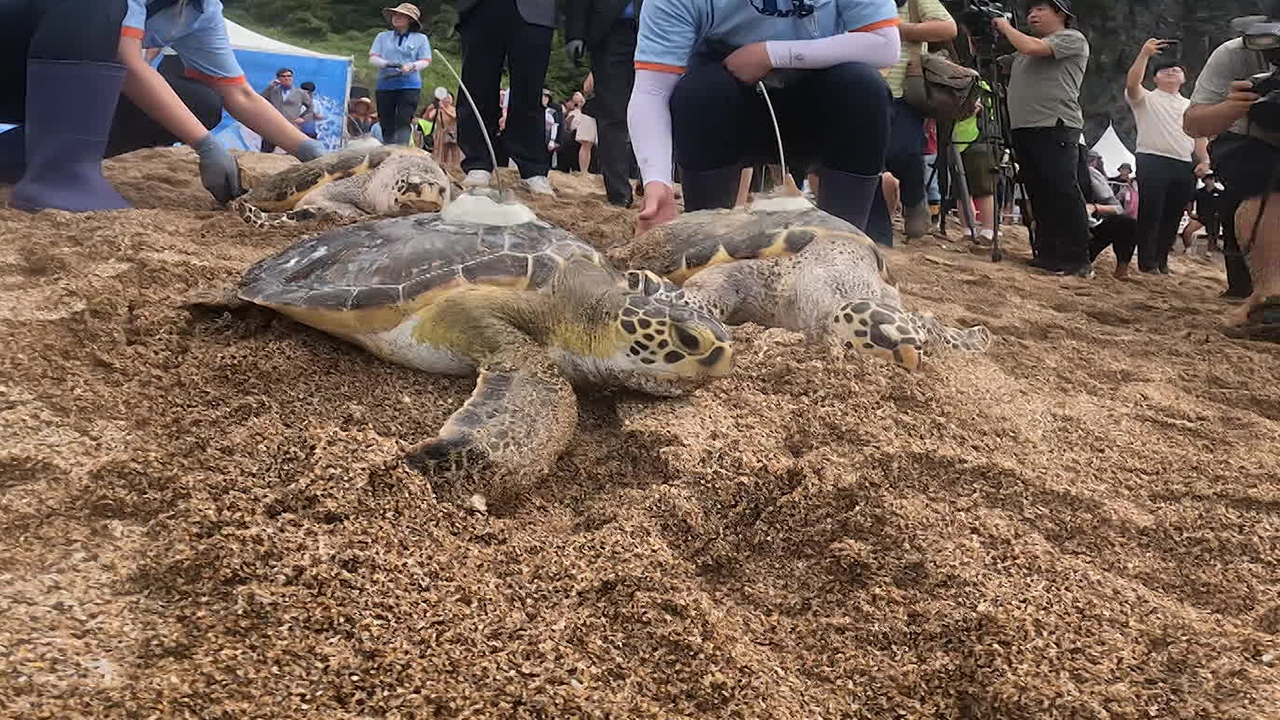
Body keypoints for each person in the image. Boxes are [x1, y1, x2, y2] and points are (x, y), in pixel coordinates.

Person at [0, 0, 326, 213]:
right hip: (16, 63)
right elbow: (128, 62)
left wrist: (310, 151)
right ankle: (59, 175)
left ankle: (13, 158)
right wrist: (205, 144)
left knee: (199, 103)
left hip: (58, 89)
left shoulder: (201, 10)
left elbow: (239, 93)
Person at [628, 0, 903, 237]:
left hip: (822, 102)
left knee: (865, 89)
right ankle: (707, 233)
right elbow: (652, 89)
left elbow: (884, 45)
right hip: (725, 107)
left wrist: (770, 54)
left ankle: (846, 240)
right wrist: (657, 180)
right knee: (700, 93)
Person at [992, 0, 1093, 277]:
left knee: (1062, 190)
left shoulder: (1071, 39)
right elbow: (1001, 64)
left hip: (1055, 124)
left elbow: (1031, 47)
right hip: (1025, 127)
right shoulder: (1026, 48)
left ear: (1060, 14)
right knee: (1038, 192)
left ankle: (1077, 258)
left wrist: (1004, 26)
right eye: (1030, 11)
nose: (1032, 15)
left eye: (1040, 10)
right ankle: (1048, 254)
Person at [1184, 24, 1278, 309]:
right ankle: (1271, 297)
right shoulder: (1236, 53)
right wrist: (1233, 106)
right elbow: (1193, 123)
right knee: (1265, 187)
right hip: (1246, 138)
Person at [864, 0, 956, 246]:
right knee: (869, 162)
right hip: (865, 89)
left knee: (905, 152)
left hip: (905, 91)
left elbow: (948, 28)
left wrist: (897, 29)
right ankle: (877, 233)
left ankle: (915, 199)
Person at [454, 0, 558, 195]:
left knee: (530, 89)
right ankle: (478, 162)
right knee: (477, 84)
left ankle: (533, 168)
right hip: (480, 8)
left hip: (535, 12)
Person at [1125, 39, 1210, 275]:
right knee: (1151, 212)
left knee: (1173, 215)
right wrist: (1144, 54)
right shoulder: (1146, 98)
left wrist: (1204, 160)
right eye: (1164, 70)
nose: (1171, 72)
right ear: (1155, 79)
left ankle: (1162, 261)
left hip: (1183, 164)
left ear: (1184, 77)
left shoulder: (1191, 105)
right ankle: (1147, 262)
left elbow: (1199, 136)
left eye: (1177, 70)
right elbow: (1132, 83)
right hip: (1152, 159)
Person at [566, 0, 641, 206]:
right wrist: (575, 33)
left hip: (662, 27)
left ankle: (654, 182)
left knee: (656, 111)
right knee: (612, 113)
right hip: (609, 31)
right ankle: (619, 193)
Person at [369, 3, 432, 146]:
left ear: (410, 20)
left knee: (404, 118)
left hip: (409, 85)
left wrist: (412, 65)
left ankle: (401, 148)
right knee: (385, 119)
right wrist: (386, 63)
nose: (396, 17)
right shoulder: (382, 37)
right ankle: (388, 147)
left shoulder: (420, 39)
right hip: (385, 84)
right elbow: (373, 58)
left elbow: (425, 60)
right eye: (395, 15)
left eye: (401, 15)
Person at [952, 78, 997, 246]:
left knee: (983, 189)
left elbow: (984, 109)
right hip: (956, 143)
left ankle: (987, 232)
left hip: (978, 140)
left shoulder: (978, 85)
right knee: (961, 192)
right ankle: (967, 231)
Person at [1081, 147, 1139, 278]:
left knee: (1126, 222)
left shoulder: (1089, 174)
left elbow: (1117, 209)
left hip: (1086, 232)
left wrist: (1094, 207)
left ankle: (1122, 270)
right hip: (1059, 236)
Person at [259, 68, 315, 153]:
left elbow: (310, 107)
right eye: (283, 76)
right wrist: (270, 87)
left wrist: (303, 118)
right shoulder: (273, 91)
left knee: (293, 151)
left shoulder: (300, 93)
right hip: (274, 124)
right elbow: (260, 100)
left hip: (291, 125)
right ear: (278, 78)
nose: (287, 78)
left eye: (289, 76)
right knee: (266, 150)